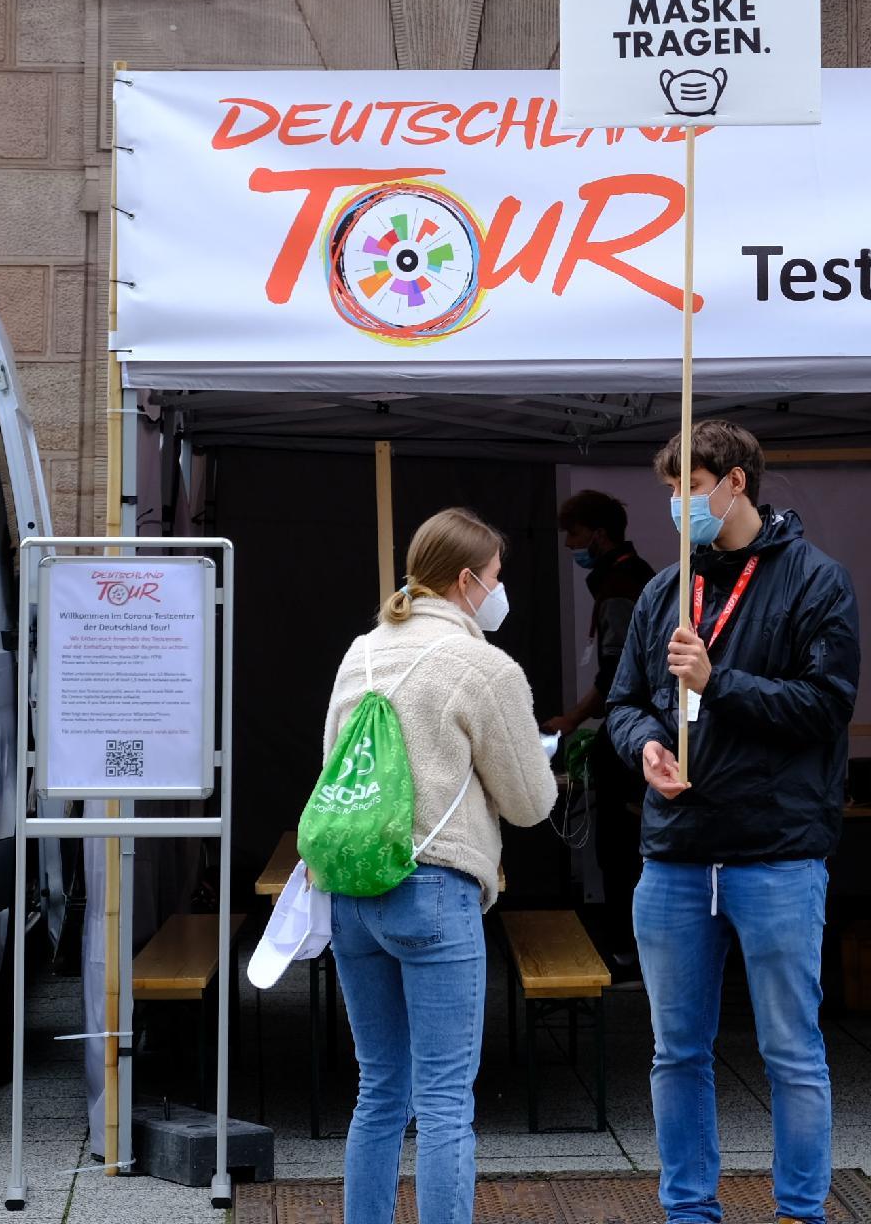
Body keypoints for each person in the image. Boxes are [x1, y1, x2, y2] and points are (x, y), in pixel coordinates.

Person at [606, 420, 861, 1224]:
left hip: (776, 852)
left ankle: (800, 1211)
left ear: (736, 482)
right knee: (675, 1053)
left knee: (791, 1050)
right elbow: (623, 704)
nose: (678, 504)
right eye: (671, 491)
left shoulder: (816, 582)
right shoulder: (661, 590)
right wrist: (646, 745)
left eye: (689, 487)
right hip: (676, 853)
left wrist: (719, 683)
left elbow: (826, 707)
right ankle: (688, 1209)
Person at [319, 508, 557, 1224]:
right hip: (434, 889)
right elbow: (529, 803)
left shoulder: (360, 652)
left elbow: (334, 770)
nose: (498, 589)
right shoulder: (483, 666)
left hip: (353, 890)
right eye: (494, 578)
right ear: (465, 582)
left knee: (379, 1090)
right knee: (447, 1101)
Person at [546, 488, 654, 963]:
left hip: (635, 732)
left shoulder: (619, 588)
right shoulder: (631, 576)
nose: (570, 544)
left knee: (618, 843)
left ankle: (625, 952)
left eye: (575, 532)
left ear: (600, 534)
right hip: (643, 727)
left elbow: (616, 677)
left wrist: (572, 717)